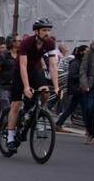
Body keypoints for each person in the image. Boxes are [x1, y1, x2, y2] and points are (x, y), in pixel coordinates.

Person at [6, 19, 58, 154]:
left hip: (35, 71)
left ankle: (34, 111)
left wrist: (57, 87)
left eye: (48, 30)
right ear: (36, 31)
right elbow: (23, 66)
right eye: (44, 30)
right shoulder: (27, 42)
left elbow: (53, 65)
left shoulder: (50, 43)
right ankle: (10, 137)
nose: (47, 33)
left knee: (46, 92)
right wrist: (26, 87)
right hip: (19, 72)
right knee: (16, 104)